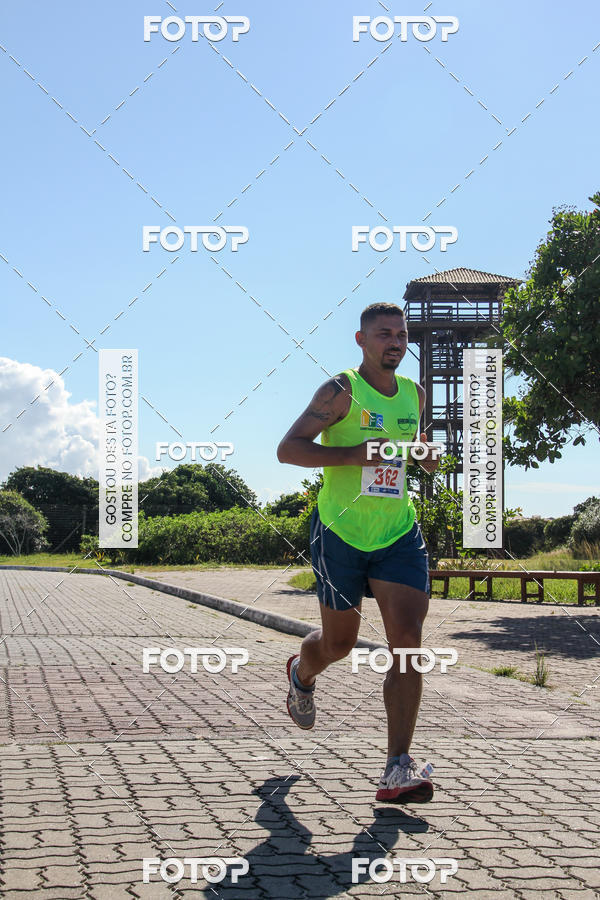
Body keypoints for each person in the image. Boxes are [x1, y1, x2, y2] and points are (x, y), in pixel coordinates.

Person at [276, 302, 440, 802]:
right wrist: (352, 454)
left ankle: (397, 768)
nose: (395, 341)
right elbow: (288, 449)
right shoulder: (339, 391)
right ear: (361, 340)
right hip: (340, 534)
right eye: (384, 333)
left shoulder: (415, 394)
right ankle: (301, 675)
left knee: (408, 644)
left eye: (402, 333)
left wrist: (426, 456)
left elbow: (413, 449)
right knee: (339, 644)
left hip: (397, 535)